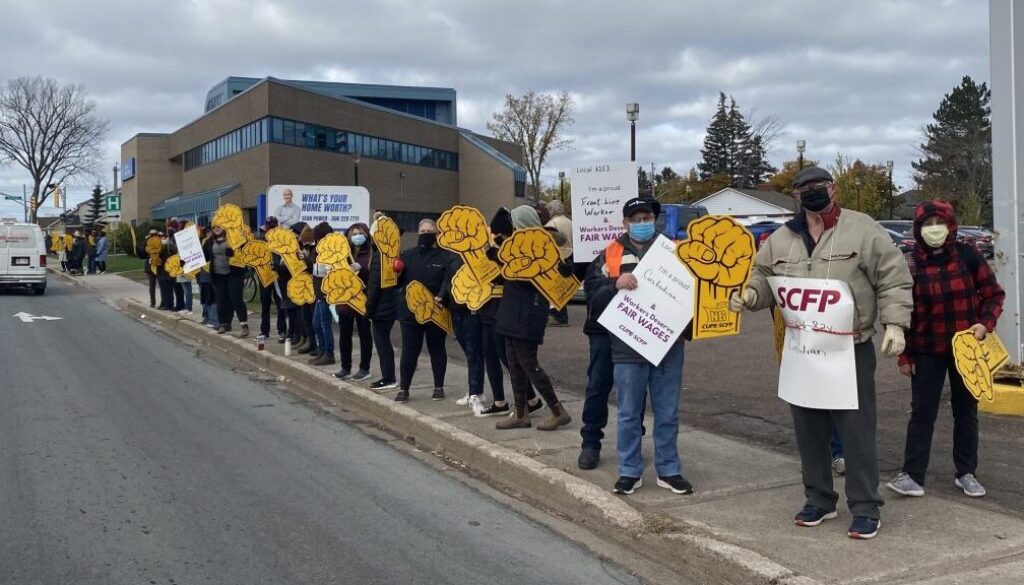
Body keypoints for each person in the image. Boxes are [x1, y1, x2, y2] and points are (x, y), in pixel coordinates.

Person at [731, 166, 912, 540]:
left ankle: (865, 506)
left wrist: (895, 323)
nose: (814, 193)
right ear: (795, 197)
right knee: (809, 431)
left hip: (850, 347)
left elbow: (893, 276)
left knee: (856, 433)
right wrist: (750, 295)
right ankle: (819, 499)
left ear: (834, 190)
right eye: (805, 189)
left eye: (821, 186)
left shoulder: (862, 229)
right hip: (803, 351)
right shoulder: (781, 239)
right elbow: (762, 276)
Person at [887, 200, 1005, 499]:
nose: (934, 229)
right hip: (926, 350)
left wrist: (984, 324)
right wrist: (905, 355)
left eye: (938, 223)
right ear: (918, 229)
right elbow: (903, 311)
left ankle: (966, 473)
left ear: (950, 225)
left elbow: (993, 295)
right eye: (927, 224)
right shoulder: (910, 262)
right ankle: (912, 475)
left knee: (966, 412)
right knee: (922, 412)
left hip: (967, 350)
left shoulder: (968, 255)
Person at [586, 197, 692, 496]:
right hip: (626, 346)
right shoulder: (610, 253)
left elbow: (695, 291)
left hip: (667, 346)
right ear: (625, 223)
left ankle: (669, 470)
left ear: (654, 220)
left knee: (667, 412)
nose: (641, 223)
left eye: (646, 218)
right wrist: (614, 283)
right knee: (629, 413)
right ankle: (629, 471)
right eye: (635, 219)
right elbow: (592, 293)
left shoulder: (675, 251)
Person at [494, 205, 573, 431]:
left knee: (527, 361)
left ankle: (557, 410)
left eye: (513, 222)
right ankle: (520, 413)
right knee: (514, 362)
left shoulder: (542, 242)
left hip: (528, 310)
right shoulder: (515, 244)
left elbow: (535, 274)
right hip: (513, 309)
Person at [481, 208, 542, 417]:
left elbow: (519, 273)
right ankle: (529, 402)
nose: (500, 238)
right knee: (509, 358)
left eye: (503, 234)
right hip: (506, 309)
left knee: (521, 360)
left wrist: (494, 256)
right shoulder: (510, 246)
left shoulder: (530, 245)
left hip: (520, 311)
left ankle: (537, 405)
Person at [393, 219, 458, 402]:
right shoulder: (407, 255)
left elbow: (448, 280)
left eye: (430, 231)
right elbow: (397, 284)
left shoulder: (445, 256)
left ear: (436, 234)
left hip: (435, 311)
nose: (426, 234)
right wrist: (395, 272)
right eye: (423, 231)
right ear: (418, 233)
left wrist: (441, 296)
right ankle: (404, 388)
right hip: (410, 312)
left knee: (437, 348)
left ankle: (439, 387)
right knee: (409, 350)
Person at [335, 223, 374, 381]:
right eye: (354, 234)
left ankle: (365, 368)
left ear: (366, 235)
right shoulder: (343, 253)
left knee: (364, 334)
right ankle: (345, 368)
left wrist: (362, 270)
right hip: (345, 301)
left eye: (360, 233)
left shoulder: (371, 253)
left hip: (362, 301)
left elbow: (374, 276)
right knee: (344, 335)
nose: (357, 236)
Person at [364, 226, 400, 390]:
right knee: (384, 341)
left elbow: (374, 286)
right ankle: (388, 376)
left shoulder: (379, 256)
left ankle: (389, 378)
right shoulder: (392, 253)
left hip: (381, 307)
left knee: (382, 342)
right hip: (390, 304)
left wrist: (369, 310)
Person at [203, 224, 249, 337]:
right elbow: (204, 257)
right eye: (214, 227)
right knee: (221, 300)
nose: (216, 229)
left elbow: (245, 251)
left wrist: (233, 252)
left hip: (234, 275)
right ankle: (224, 324)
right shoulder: (209, 242)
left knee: (236, 299)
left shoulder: (234, 238)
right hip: (218, 276)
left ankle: (244, 325)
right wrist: (186, 261)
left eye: (219, 226)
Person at [308, 222, 336, 366]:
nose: (317, 241)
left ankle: (329, 354)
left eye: (319, 238)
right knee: (316, 324)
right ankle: (322, 350)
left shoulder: (332, 253)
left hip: (326, 295)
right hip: (319, 295)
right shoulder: (316, 252)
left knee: (325, 324)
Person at [544, 200, 573, 327]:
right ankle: (560, 315)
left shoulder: (552, 224)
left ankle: (558, 316)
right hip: (570, 255)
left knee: (555, 288)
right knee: (562, 287)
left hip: (557, 257)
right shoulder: (569, 222)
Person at [258, 217, 287, 342]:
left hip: (277, 276)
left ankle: (282, 330)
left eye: (273, 226)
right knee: (265, 304)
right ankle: (264, 331)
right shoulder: (260, 239)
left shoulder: (281, 240)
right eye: (269, 226)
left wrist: (279, 267)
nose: (271, 229)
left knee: (281, 304)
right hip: (264, 276)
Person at [294, 223, 318, 355]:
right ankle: (308, 340)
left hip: (313, 288)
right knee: (306, 317)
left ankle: (314, 343)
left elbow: (313, 267)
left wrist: (305, 259)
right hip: (303, 286)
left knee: (313, 319)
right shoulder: (302, 248)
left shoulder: (316, 249)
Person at [197, 227, 219, 329]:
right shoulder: (205, 242)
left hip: (211, 274)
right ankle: (208, 317)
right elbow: (203, 257)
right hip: (203, 274)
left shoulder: (215, 242)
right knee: (205, 297)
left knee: (211, 297)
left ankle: (214, 320)